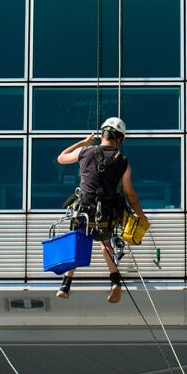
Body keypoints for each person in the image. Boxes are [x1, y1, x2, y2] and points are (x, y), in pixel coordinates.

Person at [54, 117, 147, 303]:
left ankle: (65, 283)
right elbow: (131, 195)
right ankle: (115, 282)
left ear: (102, 134)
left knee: (78, 242)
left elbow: (61, 157)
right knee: (106, 244)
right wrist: (142, 217)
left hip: (83, 212)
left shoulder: (85, 152)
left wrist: (84, 142)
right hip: (106, 214)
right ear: (120, 139)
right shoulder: (123, 161)